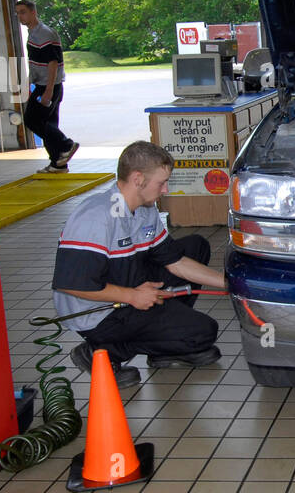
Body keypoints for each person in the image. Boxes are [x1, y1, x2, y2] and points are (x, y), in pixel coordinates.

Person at [52, 141, 226, 388]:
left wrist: (229, 283)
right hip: (98, 313)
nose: (165, 190)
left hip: (128, 285)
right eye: (161, 183)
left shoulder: (145, 210)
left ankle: (162, 343)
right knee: (202, 332)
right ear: (137, 179)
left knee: (195, 246)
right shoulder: (96, 217)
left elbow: (174, 261)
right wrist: (132, 296)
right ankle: (102, 352)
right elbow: (72, 284)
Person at [16, 0, 79, 174]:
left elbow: (52, 63)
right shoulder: (35, 33)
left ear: (33, 12)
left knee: (33, 120)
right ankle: (58, 164)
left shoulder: (43, 34)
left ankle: (66, 144)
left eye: (23, 12)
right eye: (18, 13)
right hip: (46, 84)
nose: (20, 16)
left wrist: (48, 91)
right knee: (48, 123)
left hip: (49, 86)